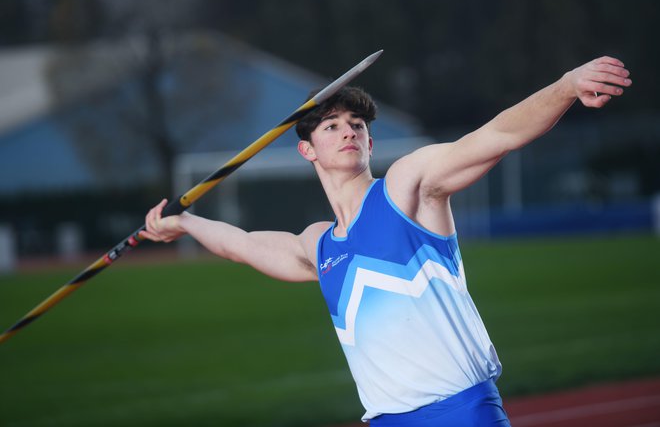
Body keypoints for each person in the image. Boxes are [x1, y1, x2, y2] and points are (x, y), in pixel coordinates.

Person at [140, 56, 631, 426]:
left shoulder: (406, 187)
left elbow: (495, 136)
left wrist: (566, 87)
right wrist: (183, 224)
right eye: (331, 126)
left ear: (371, 143)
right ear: (306, 149)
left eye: (357, 126)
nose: (348, 132)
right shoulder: (320, 246)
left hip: (459, 412)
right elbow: (242, 243)